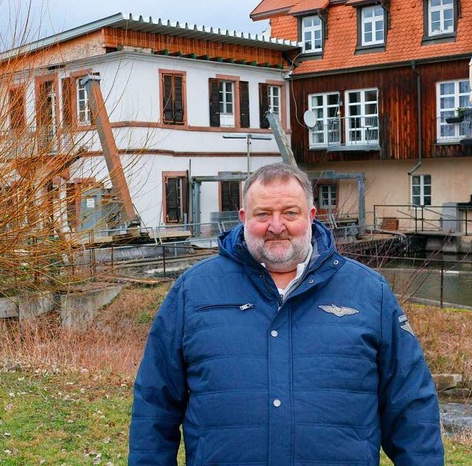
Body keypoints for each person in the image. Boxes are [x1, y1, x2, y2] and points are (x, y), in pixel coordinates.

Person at [129, 162, 444, 465]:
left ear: (310, 216)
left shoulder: (369, 292)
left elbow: (411, 405)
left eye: (289, 213)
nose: (276, 226)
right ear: (242, 217)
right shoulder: (193, 292)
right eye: (263, 214)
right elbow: (155, 406)